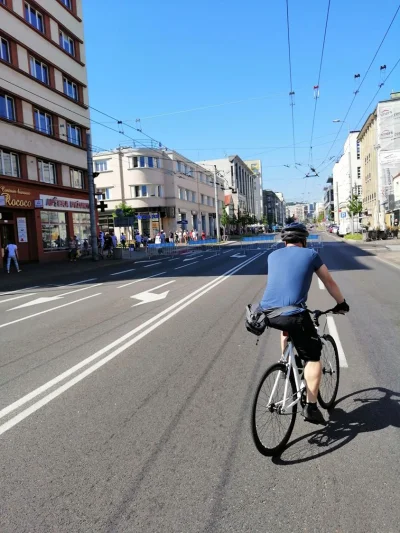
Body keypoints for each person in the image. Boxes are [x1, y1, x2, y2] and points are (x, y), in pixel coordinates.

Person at [255, 223, 349, 425]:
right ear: (303, 240)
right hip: (294, 314)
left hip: (268, 314)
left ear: (285, 241)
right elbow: (329, 283)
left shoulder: (272, 256)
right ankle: (312, 407)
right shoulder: (310, 255)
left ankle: (286, 362)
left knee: (287, 328)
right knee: (314, 357)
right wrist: (341, 303)